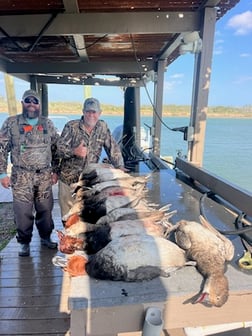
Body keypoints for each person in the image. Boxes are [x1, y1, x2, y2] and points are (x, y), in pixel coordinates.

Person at [0, 89, 59, 256]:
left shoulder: (48, 124)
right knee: (22, 212)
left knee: (46, 210)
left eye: (35, 101)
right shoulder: (10, 123)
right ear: (22, 103)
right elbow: (1, 150)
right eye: (28, 101)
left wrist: (55, 170)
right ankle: (24, 242)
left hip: (44, 176)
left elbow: (56, 149)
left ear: (39, 105)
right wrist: (2, 173)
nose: (31, 104)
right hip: (21, 175)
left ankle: (46, 238)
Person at [57, 97, 125, 217]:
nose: (91, 115)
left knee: (85, 215)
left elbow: (112, 148)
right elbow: (58, 150)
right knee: (68, 216)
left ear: (99, 113)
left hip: (88, 181)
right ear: (83, 112)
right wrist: (75, 151)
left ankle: (83, 235)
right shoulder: (71, 126)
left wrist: (120, 166)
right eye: (88, 111)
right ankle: (68, 236)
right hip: (68, 181)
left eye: (94, 112)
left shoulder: (102, 127)